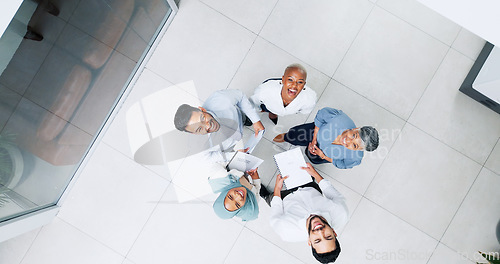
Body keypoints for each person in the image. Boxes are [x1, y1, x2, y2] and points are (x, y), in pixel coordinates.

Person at [262, 163, 348, 263]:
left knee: (270, 198)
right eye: (328, 236)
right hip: (309, 186)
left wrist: (277, 189)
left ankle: (264, 194)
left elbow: (276, 211)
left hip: (284, 197)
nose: (320, 231)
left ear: (309, 241)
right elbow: (330, 192)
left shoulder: (287, 232)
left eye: (317, 240)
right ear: (334, 232)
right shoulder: (341, 213)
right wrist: (315, 174)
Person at [174, 89, 265, 163]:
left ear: (202, 109)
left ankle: (245, 120)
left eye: (203, 118)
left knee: (244, 117)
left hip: (238, 119)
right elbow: (208, 157)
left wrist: (255, 120)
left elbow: (240, 97)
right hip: (230, 145)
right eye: (199, 129)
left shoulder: (220, 98)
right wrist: (232, 156)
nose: (208, 126)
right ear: (194, 134)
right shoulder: (198, 147)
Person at [273, 107, 379, 169]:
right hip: (314, 132)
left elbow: (341, 164)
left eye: (354, 145)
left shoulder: (355, 158)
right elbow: (321, 115)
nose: (347, 140)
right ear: (356, 128)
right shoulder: (339, 118)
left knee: (311, 158)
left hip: (320, 155)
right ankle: (285, 137)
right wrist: (314, 139)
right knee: (292, 135)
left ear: (359, 150)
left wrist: (323, 156)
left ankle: (311, 154)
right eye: (354, 135)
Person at [250, 64, 317, 125]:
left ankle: (273, 114)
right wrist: (260, 110)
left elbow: (305, 110)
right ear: (283, 79)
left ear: (304, 85)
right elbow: (254, 102)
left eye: (300, 82)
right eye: (290, 80)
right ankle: (272, 113)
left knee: (275, 111)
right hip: (268, 104)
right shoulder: (265, 91)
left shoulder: (310, 99)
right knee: (269, 109)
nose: (294, 85)